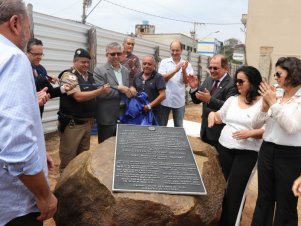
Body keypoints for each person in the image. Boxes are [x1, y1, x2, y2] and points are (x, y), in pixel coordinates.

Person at [0, 1, 57, 225]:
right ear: (16, 23)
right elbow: (15, 142)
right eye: (29, 27)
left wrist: (39, 152)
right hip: (15, 205)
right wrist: (44, 195)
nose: (28, 33)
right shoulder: (13, 57)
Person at [208, 66, 264, 226]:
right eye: (236, 81)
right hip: (224, 148)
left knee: (235, 192)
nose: (237, 84)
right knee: (221, 188)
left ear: (252, 82)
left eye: (241, 81)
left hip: (247, 153)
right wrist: (213, 114)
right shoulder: (232, 100)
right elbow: (220, 116)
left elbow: (268, 130)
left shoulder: (264, 103)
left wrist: (251, 133)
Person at [251, 57, 301, 226]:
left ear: (293, 74)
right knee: (264, 198)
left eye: (279, 73)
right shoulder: (276, 95)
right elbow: (255, 124)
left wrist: (272, 103)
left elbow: (292, 127)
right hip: (267, 150)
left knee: (286, 202)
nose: (276, 77)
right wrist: (265, 106)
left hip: (290, 156)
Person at [58, 48, 110, 172]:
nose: (86, 65)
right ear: (75, 61)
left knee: (82, 158)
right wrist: (100, 91)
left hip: (87, 123)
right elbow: (78, 97)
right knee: (68, 159)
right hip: (73, 125)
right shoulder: (69, 75)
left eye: (88, 62)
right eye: (83, 62)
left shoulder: (90, 76)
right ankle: (64, 190)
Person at [188, 54, 237, 149]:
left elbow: (229, 108)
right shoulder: (209, 79)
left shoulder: (232, 84)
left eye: (215, 68)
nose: (212, 71)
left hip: (219, 133)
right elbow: (197, 100)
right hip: (205, 130)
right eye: (210, 67)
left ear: (225, 68)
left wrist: (210, 100)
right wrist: (194, 88)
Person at [94, 42, 135, 143]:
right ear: (107, 55)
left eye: (118, 53)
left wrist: (131, 89)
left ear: (122, 54)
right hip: (107, 116)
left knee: (122, 146)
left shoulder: (125, 70)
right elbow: (101, 92)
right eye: (113, 54)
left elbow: (127, 87)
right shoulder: (99, 70)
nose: (116, 56)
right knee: (105, 148)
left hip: (123, 115)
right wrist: (120, 89)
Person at [27, 38, 73, 116]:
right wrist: (42, 79)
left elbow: (49, 92)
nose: (39, 57)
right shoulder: (20, 68)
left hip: (38, 113)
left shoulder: (41, 69)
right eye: (36, 54)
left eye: (41, 54)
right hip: (24, 112)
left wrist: (64, 88)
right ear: (27, 52)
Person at [158, 40, 194, 127]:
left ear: (181, 50)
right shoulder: (164, 62)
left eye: (177, 50)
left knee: (178, 128)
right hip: (164, 101)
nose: (174, 52)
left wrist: (184, 70)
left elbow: (186, 82)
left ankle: (177, 141)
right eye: (172, 50)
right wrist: (176, 70)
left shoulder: (187, 65)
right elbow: (162, 79)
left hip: (179, 101)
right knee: (162, 126)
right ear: (170, 50)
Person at [132, 55, 166, 124]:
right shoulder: (137, 76)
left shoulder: (158, 77)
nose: (146, 66)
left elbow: (163, 95)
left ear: (154, 65)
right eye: (144, 64)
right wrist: (131, 89)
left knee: (154, 132)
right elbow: (133, 88)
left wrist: (149, 106)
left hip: (154, 113)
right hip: (140, 112)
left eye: (149, 64)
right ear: (142, 65)